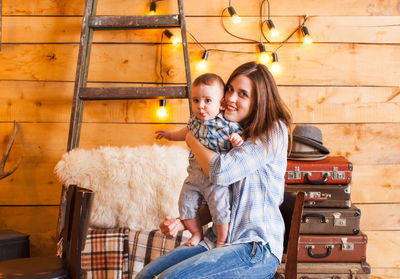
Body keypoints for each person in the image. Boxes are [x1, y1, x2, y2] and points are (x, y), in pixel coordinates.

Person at [137, 61, 292, 279]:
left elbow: (221, 173)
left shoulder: (273, 130)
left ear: (259, 102)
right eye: (230, 89)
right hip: (216, 241)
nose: (230, 98)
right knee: (144, 276)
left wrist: (191, 138)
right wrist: (183, 223)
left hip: (255, 248)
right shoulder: (229, 135)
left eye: (242, 94)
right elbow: (219, 202)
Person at [155, 73, 243, 248]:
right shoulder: (195, 121)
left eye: (207, 101)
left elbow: (240, 139)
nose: (200, 106)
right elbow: (185, 132)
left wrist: (237, 140)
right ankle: (196, 233)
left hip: (215, 181)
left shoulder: (226, 124)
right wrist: (170, 135)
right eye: (196, 100)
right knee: (185, 204)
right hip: (194, 178)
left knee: (220, 210)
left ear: (221, 103)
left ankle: (221, 240)